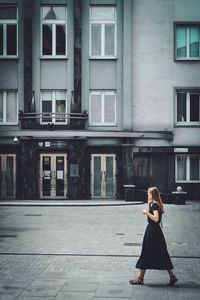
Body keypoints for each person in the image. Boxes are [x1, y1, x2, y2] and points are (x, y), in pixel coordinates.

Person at [129, 186, 178, 286]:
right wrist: (148, 204)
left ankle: (140, 279)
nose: (148, 195)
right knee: (161, 253)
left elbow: (156, 219)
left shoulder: (155, 205)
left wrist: (147, 212)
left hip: (152, 232)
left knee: (146, 253)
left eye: (149, 193)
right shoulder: (154, 204)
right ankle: (172, 277)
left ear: (153, 194)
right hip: (155, 231)